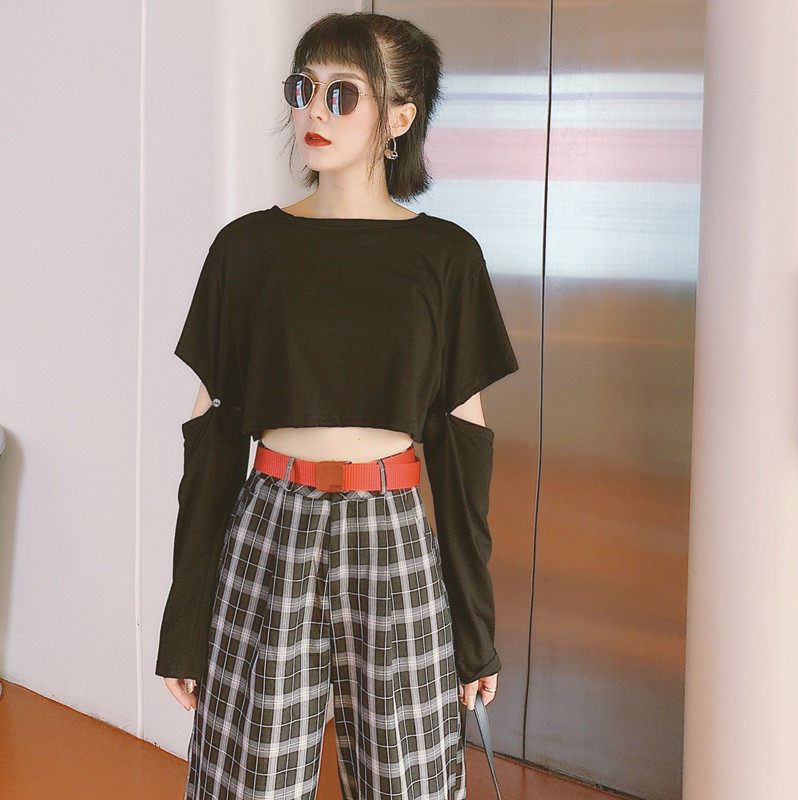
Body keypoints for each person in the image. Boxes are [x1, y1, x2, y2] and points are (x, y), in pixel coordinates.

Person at [155, 11, 519, 800]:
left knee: (408, 783)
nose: (314, 110)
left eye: (342, 93)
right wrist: (184, 622)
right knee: (247, 782)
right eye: (304, 87)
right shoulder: (247, 249)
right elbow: (211, 444)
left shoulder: (445, 257)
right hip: (270, 526)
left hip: (392, 533)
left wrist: (475, 631)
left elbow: (462, 454)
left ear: (398, 118)